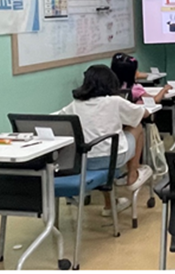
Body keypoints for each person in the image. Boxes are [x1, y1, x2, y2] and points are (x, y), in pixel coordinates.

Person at [57, 65, 153, 216]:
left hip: (84, 160)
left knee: (101, 146)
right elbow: (142, 114)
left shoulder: (75, 105)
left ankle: (110, 204)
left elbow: (54, 119)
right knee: (137, 128)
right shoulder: (114, 101)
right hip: (113, 158)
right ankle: (132, 174)